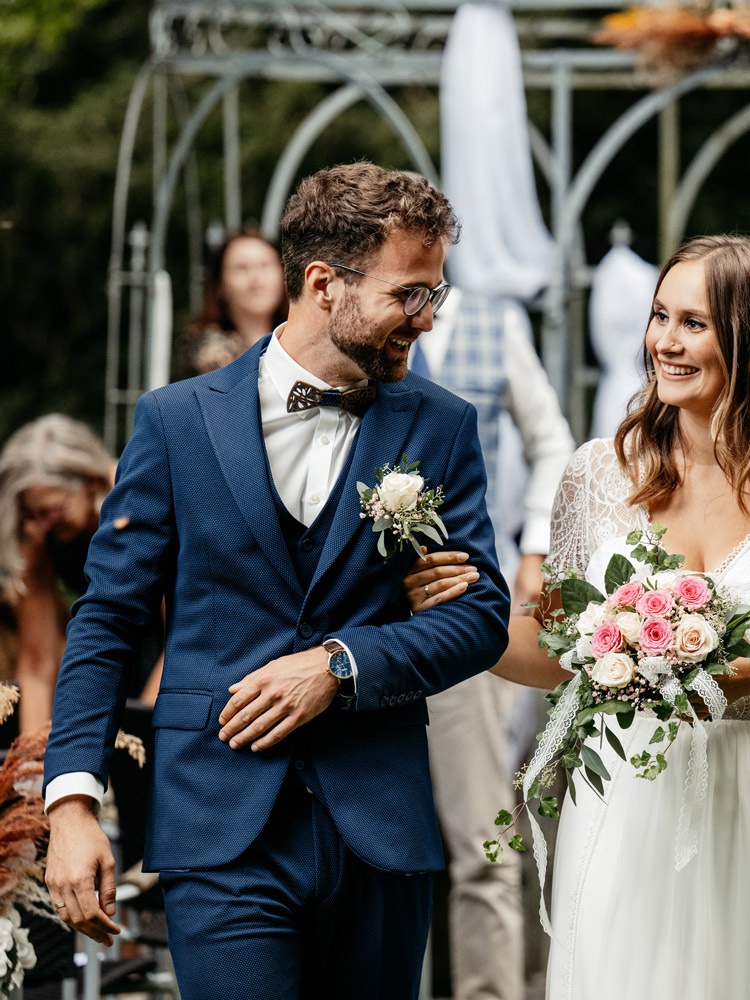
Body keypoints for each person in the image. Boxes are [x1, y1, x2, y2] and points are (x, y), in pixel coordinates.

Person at [42, 162, 510, 1000]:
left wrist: (341, 665)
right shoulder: (175, 422)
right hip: (219, 827)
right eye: (409, 294)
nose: (428, 318)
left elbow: (479, 617)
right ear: (324, 283)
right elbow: (107, 618)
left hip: (379, 827)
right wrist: (72, 800)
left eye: (434, 293)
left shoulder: (442, 427)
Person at [406, 234, 750, 999]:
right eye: (659, 316)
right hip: (630, 800)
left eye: (693, 324)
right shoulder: (597, 473)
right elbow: (555, 651)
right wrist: (463, 611)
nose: (664, 343)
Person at [411, 288, 574, 1000]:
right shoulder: (350, 325)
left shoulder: (493, 323)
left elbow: (551, 440)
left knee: (483, 835)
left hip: (470, 607)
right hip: (360, 618)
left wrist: (534, 550)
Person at [0, 415, 115, 732]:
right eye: (31, 514)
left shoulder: (135, 500)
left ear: (90, 481)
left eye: (51, 511)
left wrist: (143, 727)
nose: (40, 526)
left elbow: (182, 631)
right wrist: (30, 752)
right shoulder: (38, 533)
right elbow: (37, 662)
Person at [184, 228, 288, 375]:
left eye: (264, 265)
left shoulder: (305, 340)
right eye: (241, 268)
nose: (256, 278)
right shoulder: (207, 353)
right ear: (220, 286)